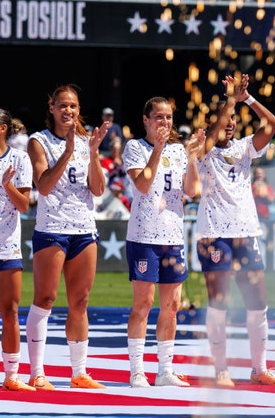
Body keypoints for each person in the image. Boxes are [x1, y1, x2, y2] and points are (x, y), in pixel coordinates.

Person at [195, 74, 275, 387]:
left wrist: (246, 98)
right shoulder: (204, 147)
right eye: (227, 118)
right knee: (219, 302)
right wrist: (230, 100)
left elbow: (273, 124)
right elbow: (213, 132)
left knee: (258, 302)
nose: (232, 122)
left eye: (236, 119)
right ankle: (221, 369)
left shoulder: (245, 147)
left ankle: (259, 368)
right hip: (214, 234)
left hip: (246, 232)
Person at [25, 85, 109, 390]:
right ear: (51, 108)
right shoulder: (39, 141)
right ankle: (37, 372)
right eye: (62, 105)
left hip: (83, 228)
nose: (68, 111)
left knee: (81, 302)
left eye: (73, 106)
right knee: (45, 299)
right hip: (52, 229)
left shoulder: (87, 141)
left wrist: (93, 153)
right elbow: (43, 186)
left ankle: (79, 372)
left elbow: (98, 190)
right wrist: (69, 152)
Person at [124, 95, 205, 388]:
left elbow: (193, 190)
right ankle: (136, 371)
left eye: (169, 117)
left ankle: (165, 370)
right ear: (146, 120)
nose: (165, 122)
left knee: (172, 304)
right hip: (144, 235)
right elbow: (143, 185)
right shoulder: (135, 147)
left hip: (172, 236)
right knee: (143, 304)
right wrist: (157, 149)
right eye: (159, 117)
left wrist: (193, 156)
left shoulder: (179, 151)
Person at [0, 107, 36, 392]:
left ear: (2, 128)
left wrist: (7, 185)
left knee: (10, 311)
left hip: (6, 246)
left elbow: (24, 205)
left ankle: (11, 375)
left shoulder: (20, 159)